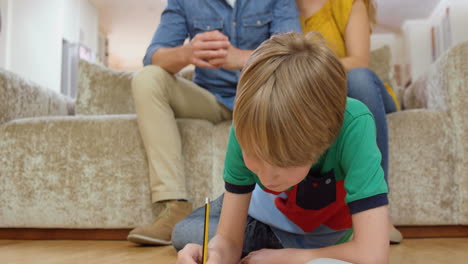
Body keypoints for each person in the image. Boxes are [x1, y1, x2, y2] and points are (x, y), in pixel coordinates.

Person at [174, 32, 390, 264]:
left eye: (283, 163)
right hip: (260, 214)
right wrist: (216, 255)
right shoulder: (246, 123)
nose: (266, 178)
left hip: (315, 234)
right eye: (254, 155)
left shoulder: (354, 124)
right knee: (185, 233)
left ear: (325, 138)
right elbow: (228, 239)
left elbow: (373, 255)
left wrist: (287, 258)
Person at [128, 0, 301, 246]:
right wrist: (187, 53)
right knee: (148, 78)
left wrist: (241, 58)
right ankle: (174, 204)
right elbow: (153, 57)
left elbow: (295, 52)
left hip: (260, 101)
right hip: (209, 99)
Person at [295, 0, 402, 243]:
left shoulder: (348, 4)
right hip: (320, 97)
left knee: (359, 78)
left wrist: (307, 69)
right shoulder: (279, 9)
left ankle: (379, 213)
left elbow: (359, 61)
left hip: (360, 90)